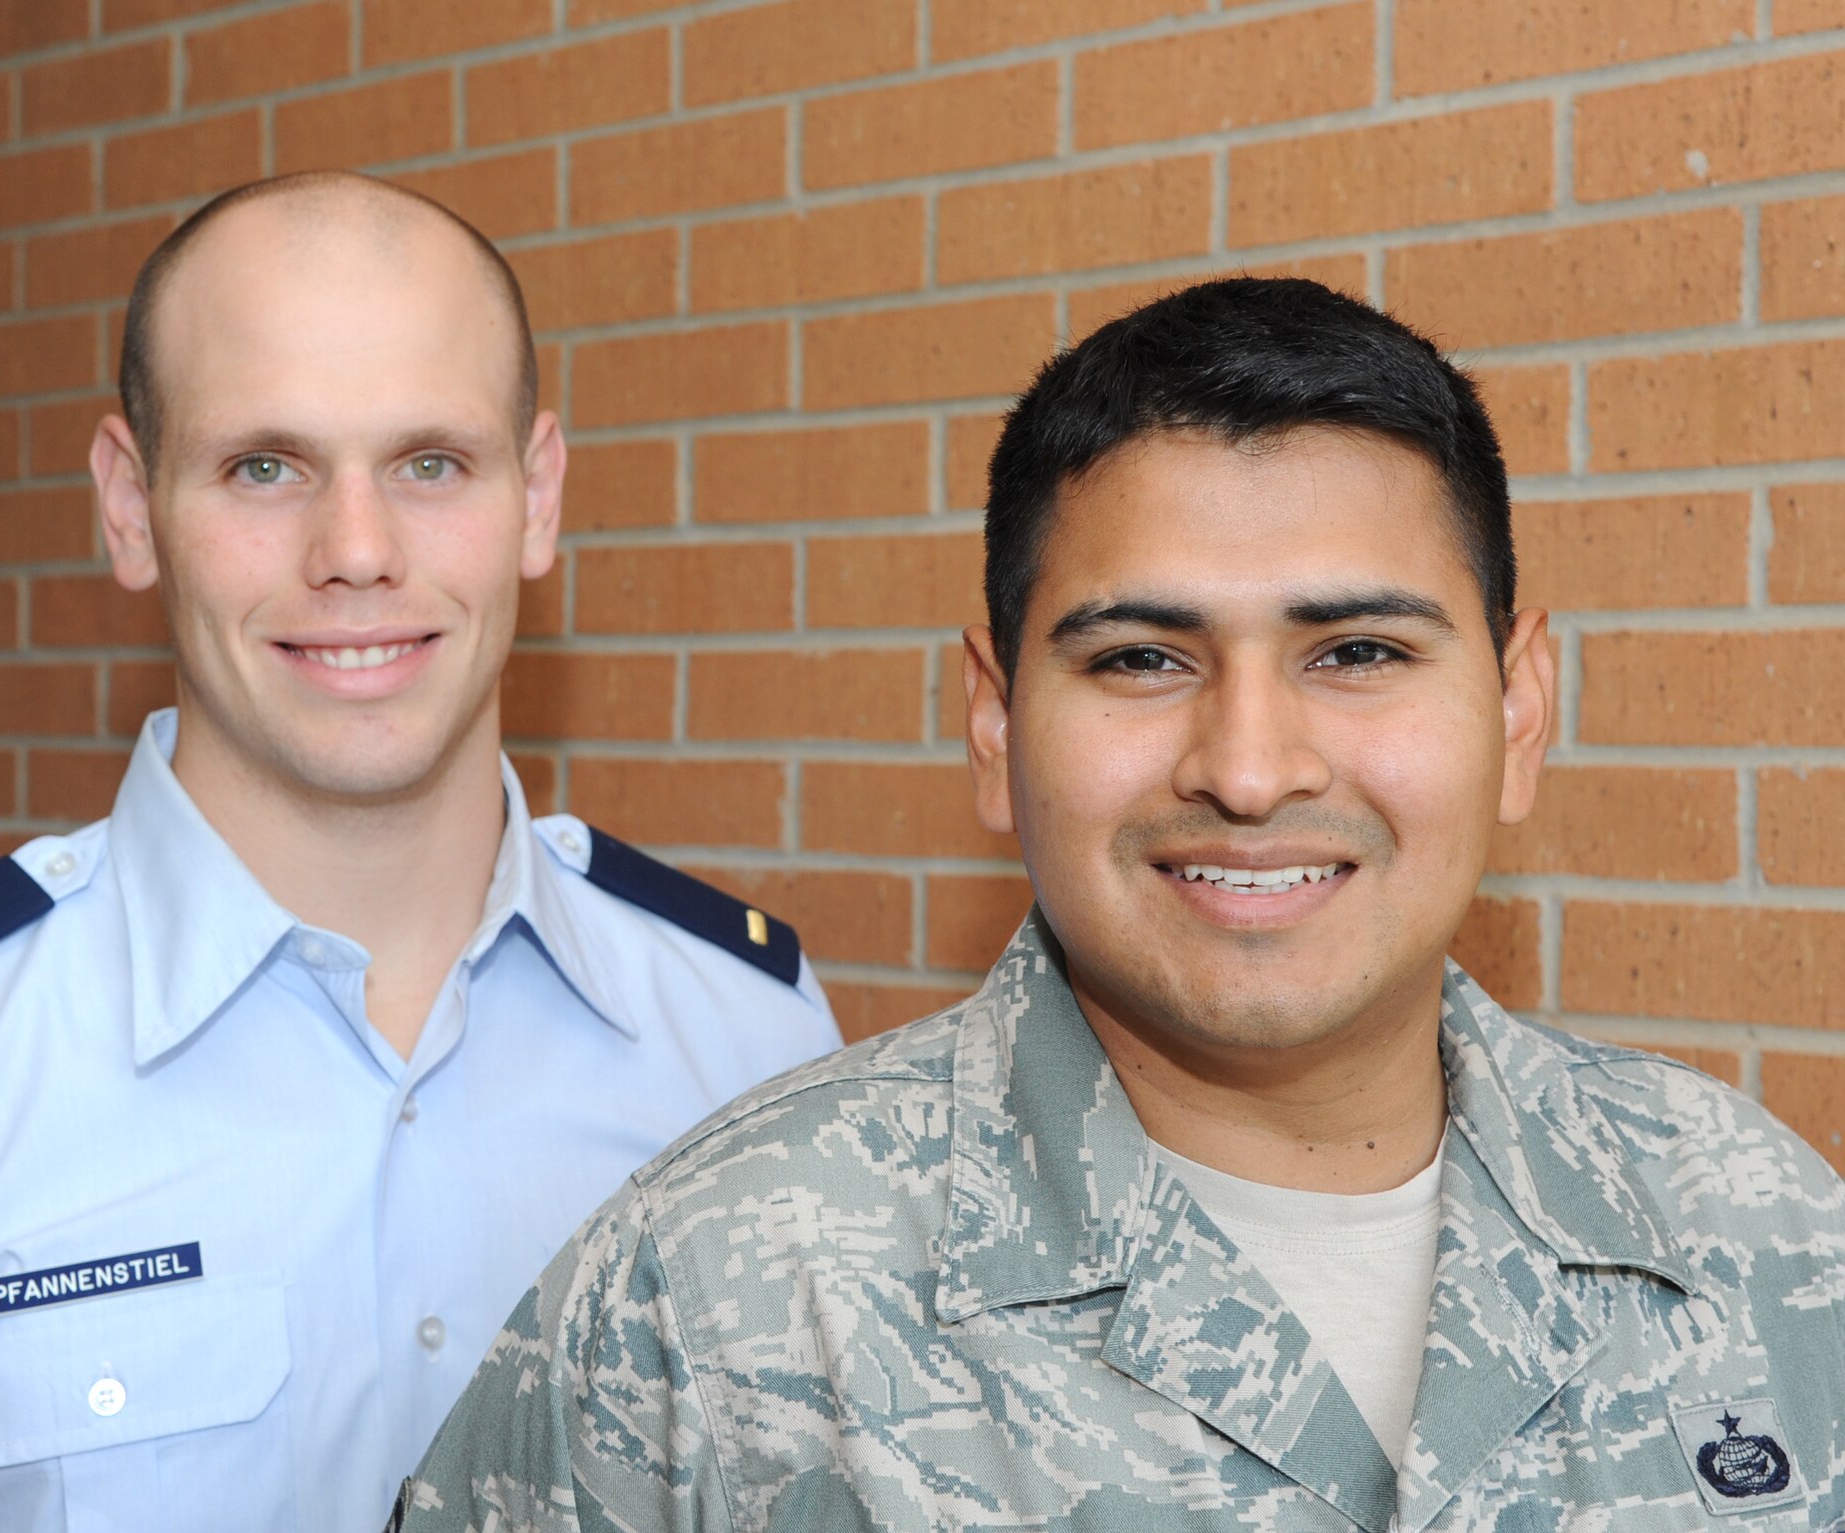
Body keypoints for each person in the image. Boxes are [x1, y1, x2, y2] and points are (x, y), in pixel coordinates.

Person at [393, 278, 1845, 1532]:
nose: (1250, 769)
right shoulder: (716, 1299)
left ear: (1519, 710)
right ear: (993, 721)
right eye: (1143, 659)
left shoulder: (1760, 1235)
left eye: (1357, 651)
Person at [0, 172, 841, 1533]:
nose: (358, 551)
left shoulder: (748, 1043)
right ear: (130, 506)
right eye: (265, 466)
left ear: (537, 496)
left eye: (432, 462)